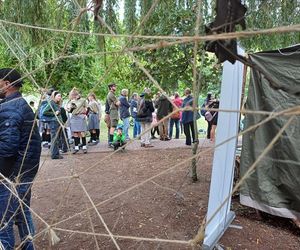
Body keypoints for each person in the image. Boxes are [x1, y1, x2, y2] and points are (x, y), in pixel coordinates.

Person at [0, 68, 41, 250]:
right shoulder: (19, 104)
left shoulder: (10, 107)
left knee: (3, 220)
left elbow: (8, 147)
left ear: (7, 84)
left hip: (12, 174)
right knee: (22, 215)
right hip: (25, 170)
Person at [42, 91, 64, 159]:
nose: (60, 97)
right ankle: (54, 155)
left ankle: (56, 154)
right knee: (54, 139)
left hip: (57, 123)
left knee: (56, 139)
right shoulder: (51, 102)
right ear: (54, 96)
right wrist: (54, 113)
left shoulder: (56, 103)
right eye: (58, 96)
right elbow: (44, 112)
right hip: (54, 123)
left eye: (60, 96)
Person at [67, 88, 88, 154]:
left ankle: (84, 146)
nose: (75, 96)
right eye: (73, 95)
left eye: (75, 94)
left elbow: (87, 108)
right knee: (75, 132)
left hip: (81, 117)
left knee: (82, 132)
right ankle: (76, 147)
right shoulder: (71, 101)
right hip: (74, 117)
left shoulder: (83, 100)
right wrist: (68, 109)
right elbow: (70, 111)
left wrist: (85, 115)